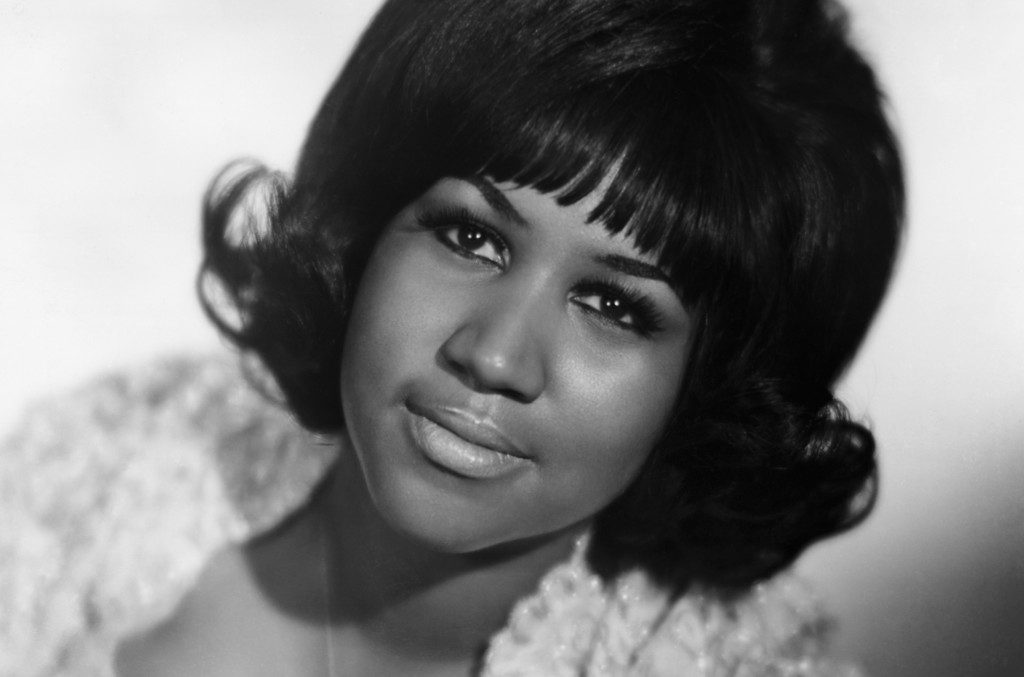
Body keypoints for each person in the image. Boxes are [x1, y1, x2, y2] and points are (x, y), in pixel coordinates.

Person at [0, 0, 903, 674]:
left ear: (714, 388)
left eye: (614, 306)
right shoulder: (118, 457)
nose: (495, 355)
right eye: (471, 237)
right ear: (363, 228)